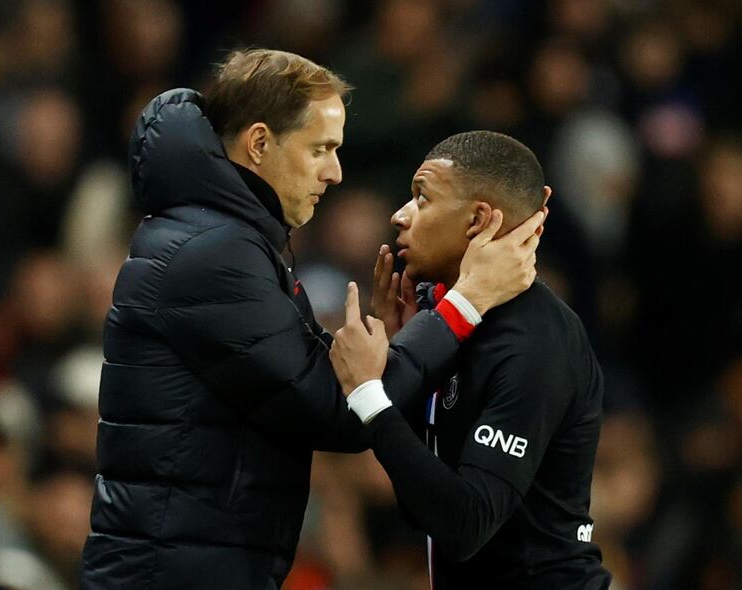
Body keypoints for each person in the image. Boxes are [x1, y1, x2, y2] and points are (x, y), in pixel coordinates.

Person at [79, 50, 546, 589]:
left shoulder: (227, 238)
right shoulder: (214, 252)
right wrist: (466, 302)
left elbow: (330, 381)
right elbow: (338, 407)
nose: (336, 171)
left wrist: (390, 341)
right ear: (259, 143)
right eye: (321, 149)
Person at [331, 131, 611, 588]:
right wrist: (408, 374)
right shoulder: (457, 326)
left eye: (422, 198)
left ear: (478, 220)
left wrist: (369, 396)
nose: (399, 216)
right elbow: (421, 506)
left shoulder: (534, 339)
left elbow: (466, 526)